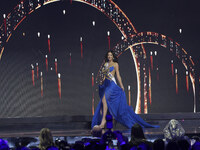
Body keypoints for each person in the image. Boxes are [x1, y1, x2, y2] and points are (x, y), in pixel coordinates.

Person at [91, 51, 159, 129]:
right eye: (108, 55)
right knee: (107, 104)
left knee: (104, 100)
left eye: (111, 55)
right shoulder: (106, 65)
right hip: (106, 84)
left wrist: (122, 86)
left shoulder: (115, 64)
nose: (109, 56)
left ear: (113, 57)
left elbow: (118, 76)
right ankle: (108, 124)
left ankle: (103, 122)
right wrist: (102, 82)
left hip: (112, 84)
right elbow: (105, 75)